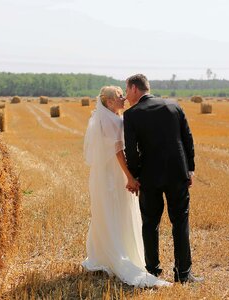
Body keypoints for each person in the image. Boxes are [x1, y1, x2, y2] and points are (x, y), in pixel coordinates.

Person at [82, 86, 171, 288]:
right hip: (114, 175)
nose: (124, 98)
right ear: (110, 102)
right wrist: (129, 176)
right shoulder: (112, 120)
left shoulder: (103, 117)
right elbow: (118, 152)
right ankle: (118, 255)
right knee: (117, 211)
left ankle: (103, 255)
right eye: (120, 96)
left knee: (107, 212)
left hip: (103, 175)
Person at [123, 74, 203, 284]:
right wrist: (190, 169)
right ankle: (183, 273)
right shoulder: (174, 106)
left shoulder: (132, 115)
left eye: (126, 89)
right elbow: (188, 139)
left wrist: (135, 175)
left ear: (133, 88)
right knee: (180, 222)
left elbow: (131, 151)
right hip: (178, 173)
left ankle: (152, 272)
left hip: (149, 176)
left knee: (150, 223)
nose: (125, 95)